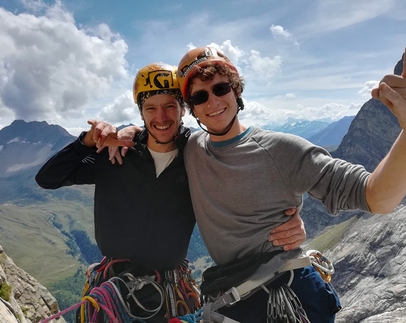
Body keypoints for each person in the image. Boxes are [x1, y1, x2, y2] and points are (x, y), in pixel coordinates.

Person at [35, 62, 307, 322]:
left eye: (170, 106)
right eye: (151, 108)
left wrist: (289, 218)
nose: (161, 117)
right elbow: (48, 178)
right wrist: (86, 141)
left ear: (183, 109)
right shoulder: (116, 155)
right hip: (114, 288)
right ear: (141, 112)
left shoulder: (198, 158)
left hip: (168, 294)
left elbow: (247, 183)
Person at [171, 46, 406, 323]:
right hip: (235, 301)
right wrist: (118, 132)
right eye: (200, 96)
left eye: (220, 89)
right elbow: (153, 132)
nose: (212, 102)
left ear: (236, 91)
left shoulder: (281, 150)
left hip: (289, 298)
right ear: (192, 108)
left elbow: (375, 197)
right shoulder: (190, 148)